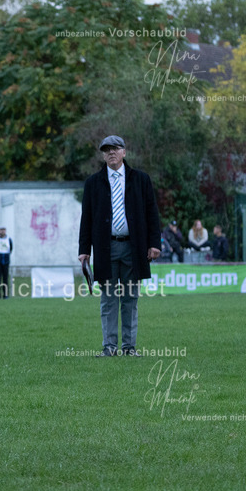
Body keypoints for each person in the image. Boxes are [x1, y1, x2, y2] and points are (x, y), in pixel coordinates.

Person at [78, 135, 161, 358]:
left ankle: (129, 347)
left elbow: (152, 213)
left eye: (115, 148)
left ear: (124, 152)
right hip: (106, 248)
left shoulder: (141, 179)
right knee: (108, 299)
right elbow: (86, 218)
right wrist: (84, 250)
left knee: (130, 299)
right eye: (106, 149)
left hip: (134, 248)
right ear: (103, 155)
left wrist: (154, 243)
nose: (111, 152)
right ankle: (109, 347)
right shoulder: (93, 183)